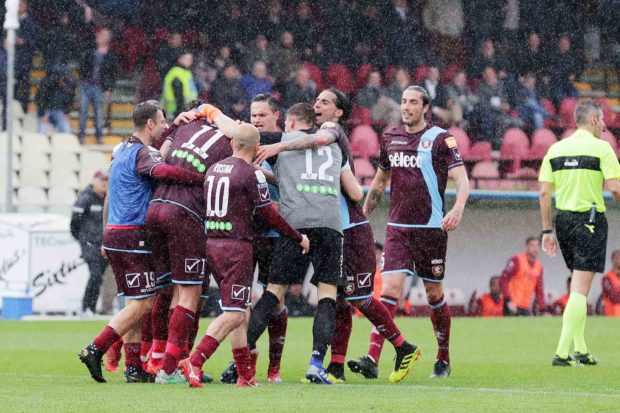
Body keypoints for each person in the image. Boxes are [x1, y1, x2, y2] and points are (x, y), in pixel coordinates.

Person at [254, 89, 420, 384]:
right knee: (339, 299)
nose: (318, 104)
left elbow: (353, 189)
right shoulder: (320, 146)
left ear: (339, 113)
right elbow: (353, 189)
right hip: (335, 226)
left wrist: (280, 147)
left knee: (357, 296)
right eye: (316, 101)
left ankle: (402, 346)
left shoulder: (331, 133)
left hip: (349, 228)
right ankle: (336, 367)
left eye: (325, 102)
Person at [78, 100, 205, 384]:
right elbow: (162, 171)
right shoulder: (144, 153)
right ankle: (95, 348)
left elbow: (111, 195)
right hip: (133, 234)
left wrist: (103, 234)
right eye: (162, 121)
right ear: (150, 124)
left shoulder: (121, 149)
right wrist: (199, 179)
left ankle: (133, 367)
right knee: (145, 302)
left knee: (135, 300)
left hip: (114, 233)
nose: (164, 126)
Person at [178, 122, 309, 388]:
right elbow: (269, 213)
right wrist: (297, 236)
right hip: (236, 248)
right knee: (236, 314)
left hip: (212, 243)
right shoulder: (252, 173)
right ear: (257, 148)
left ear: (232, 144)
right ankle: (195, 361)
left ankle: (245, 375)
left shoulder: (214, 168)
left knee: (234, 308)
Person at [353, 86, 469, 378]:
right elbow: (380, 182)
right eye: (403, 101)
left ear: (425, 107)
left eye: (413, 102)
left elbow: (462, 179)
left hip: (431, 228)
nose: (406, 107)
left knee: (433, 294)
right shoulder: (390, 137)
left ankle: (442, 357)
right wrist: (363, 218)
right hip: (398, 228)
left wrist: (456, 209)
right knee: (389, 289)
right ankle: (372, 358)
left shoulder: (441, 138)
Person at [144, 101, 234, 384]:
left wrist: (172, 129)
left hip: (155, 207)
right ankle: (169, 370)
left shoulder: (184, 127)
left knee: (167, 290)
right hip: (186, 214)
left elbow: (159, 156)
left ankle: (156, 358)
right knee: (190, 294)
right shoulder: (232, 140)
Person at [539, 99, 620, 366]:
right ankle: (562, 353)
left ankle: (580, 349)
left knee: (578, 284)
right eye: (603, 120)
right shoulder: (602, 148)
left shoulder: (556, 149)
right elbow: (615, 188)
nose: (605, 126)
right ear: (594, 120)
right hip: (590, 221)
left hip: (562, 222)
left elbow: (543, 193)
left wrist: (547, 230)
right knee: (580, 290)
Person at [220, 93, 286, 385]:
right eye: (253, 115)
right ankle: (247, 362)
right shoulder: (243, 144)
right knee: (242, 301)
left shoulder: (284, 146)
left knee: (275, 301)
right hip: (247, 234)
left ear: (276, 116)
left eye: (261, 115)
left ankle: (274, 368)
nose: (256, 119)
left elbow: (292, 186)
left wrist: (261, 174)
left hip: (275, 232)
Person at [70, 170, 109, 316]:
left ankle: (91, 309)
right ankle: (86, 307)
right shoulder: (85, 197)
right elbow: (74, 223)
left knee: (98, 277)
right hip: (89, 244)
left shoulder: (107, 198)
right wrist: (83, 240)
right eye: (102, 180)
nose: (105, 183)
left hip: (104, 245)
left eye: (107, 180)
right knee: (95, 274)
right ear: (94, 180)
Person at [78, 27, 118, 143]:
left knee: (99, 112)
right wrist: (83, 78)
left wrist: (109, 89)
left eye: (100, 36)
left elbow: (112, 74)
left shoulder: (110, 56)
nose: (97, 37)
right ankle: (81, 135)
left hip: (99, 87)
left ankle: (99, 136)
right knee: (83, 110)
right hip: (86, 85)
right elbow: (83, 65)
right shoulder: (90, 51)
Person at [499, 237, 546, 316]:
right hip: (512, 305)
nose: (535, 249)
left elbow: (539, 290)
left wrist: (543, 309)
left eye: (537, 246)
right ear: (526, 247)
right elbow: (503, 280)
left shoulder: (539, 266)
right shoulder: (516, 260)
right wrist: (508, 301)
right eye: (532, 246)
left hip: (525, 307)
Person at [36, 64, 76, 134]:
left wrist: (66, 113)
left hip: (58, 110)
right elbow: (39, 100)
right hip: (46, 109)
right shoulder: (46, 83)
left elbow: (69, 101)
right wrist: (43, 114)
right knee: (42, 130)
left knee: (66, 129)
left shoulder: (69, 85)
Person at [160, 51, 198, 118]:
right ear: (180, 59)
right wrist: (180, 113)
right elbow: (179, 97)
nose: (189, 61)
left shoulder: (186, 72)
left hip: (185, 111)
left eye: (190, 59)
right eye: (186, 59)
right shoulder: (177, 73)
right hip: (175, 112)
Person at [601, 250, 620, 317]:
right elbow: (614, 296)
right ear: (613, 260)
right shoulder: (607, 278)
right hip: (611, 314)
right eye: (618, 257)